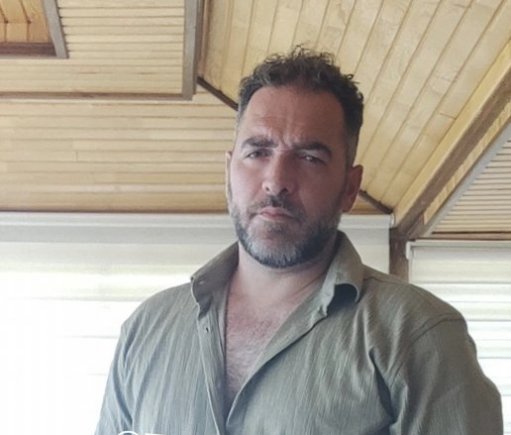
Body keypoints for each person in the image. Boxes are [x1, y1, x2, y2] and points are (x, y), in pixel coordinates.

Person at [95, 47, 503, 435]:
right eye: (258, 152)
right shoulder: (146, 329)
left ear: (350, 187)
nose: (276, 181)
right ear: (229, 174)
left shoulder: (419, 334)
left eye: (309, 157)